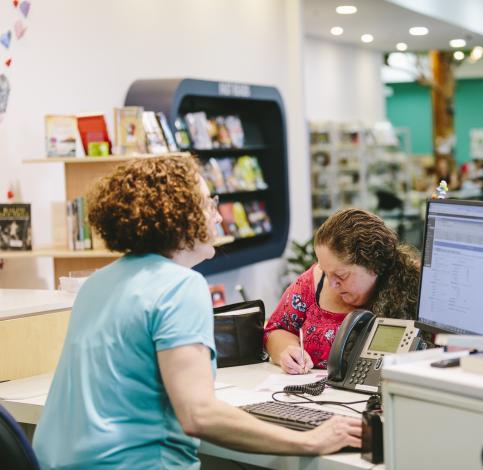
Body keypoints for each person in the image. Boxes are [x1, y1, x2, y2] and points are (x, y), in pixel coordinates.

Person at [33, 156, 360, 469]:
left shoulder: (98, 281)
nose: (218, 216)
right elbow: (198, 414)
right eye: (209, 204)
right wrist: (309, 440)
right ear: (177, 215)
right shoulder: (178, 286)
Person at [264, 208, 420, 374]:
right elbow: (276, 329)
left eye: (341, 275)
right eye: (325, 272)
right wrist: (288, 351)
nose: (331, 284)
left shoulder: (412, 290)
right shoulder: (312, 283)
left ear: (374, 266)